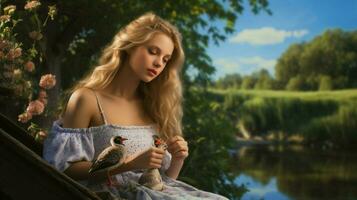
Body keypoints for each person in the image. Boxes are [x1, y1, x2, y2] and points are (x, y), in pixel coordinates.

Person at [43, 12, 228, 200]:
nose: (158, 63)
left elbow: (160, 182)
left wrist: (177, 159)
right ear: (130, 47)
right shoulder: (87, 99)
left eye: (165, 59)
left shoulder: (153, 106)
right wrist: (127, 164)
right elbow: (65, 169)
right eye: (153, 52)